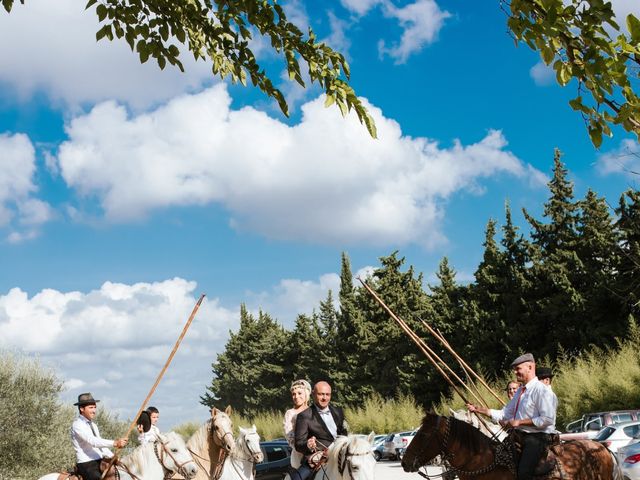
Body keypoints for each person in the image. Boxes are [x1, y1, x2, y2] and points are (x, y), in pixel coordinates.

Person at [466, 353, 557, 480]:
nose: (515, 372)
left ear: (530, 367)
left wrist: (519, 422)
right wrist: (479, 410)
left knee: (523, 474)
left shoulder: (542, 391)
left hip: (538, 438)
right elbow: (505, 413)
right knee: (494, 460)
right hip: (519, 436)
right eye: (514, 369)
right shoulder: (521, 391)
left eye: (518, 369)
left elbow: (547, 419)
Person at [291, 381, 347, 480]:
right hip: (317, 459)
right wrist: (308, 445)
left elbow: (344, 435)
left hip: (340, 456)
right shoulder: (304, 416)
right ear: (313, 394)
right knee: (296, 478)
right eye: (321, 394)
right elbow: (298, 444)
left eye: (327, 394)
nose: (324, 398)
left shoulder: (339, 412)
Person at [71, 392, 128, 480]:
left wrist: (112, 455)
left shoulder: (93, 425)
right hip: (86, 463)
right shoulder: (77, 425)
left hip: (100, 461)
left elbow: (100, 445)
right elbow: (93, 442)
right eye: (90, 408)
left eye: (94, 407)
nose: (94, 410)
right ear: (82, 408)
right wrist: (115, 443)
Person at [283, 380, 311, 468]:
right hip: (299, 455)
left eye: (299, 393)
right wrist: (306, 446)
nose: (296, 396)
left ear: (306, 394)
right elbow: (290, 437)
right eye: (294, 394)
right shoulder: (290, 413)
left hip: (318, 451)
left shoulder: (314, 411)